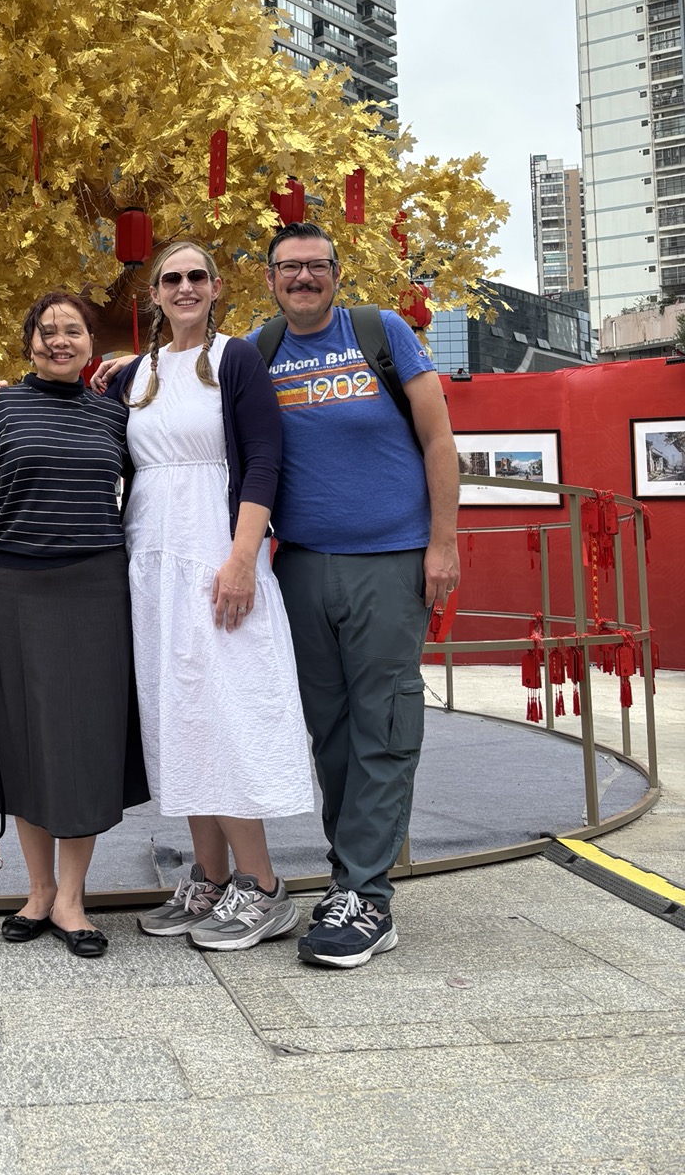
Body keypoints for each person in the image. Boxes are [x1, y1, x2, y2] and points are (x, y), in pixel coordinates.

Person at [253, 220, 460, 969]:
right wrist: (121, 366)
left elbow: (439, 440)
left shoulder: (381, 332)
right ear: (270, 279)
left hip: (390, 561)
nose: (303, 278)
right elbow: (191, 387)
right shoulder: (259, 349)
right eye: (289, 267)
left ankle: (366, 894)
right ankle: (351, 876)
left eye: (316, 265)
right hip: (302, 567)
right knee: (331, 733)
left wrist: (443, 544)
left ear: (336, 273)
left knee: (385, 723)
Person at [105, 241, 313, 952]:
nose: (186, 287)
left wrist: (243, 558)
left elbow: (265, 459)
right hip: (152, 564)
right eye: (173, 278)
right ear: (155, 293)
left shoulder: (236, 359)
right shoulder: (134, 376)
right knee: (180, 718)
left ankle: (263, 887)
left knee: (226, 715)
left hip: (216, 558)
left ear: (217, 287)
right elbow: (72, 409)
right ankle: (212, 878)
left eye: (198, 276)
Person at [0, 291, 148, 959]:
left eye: (73, 330)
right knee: (26, 739)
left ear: (91, 343)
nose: (59, 340)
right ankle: (37, 892)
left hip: (97, 590)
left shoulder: (114, 414)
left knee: (84, 744)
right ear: (29, 342)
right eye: (46, 330)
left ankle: (71, 898)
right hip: (15, 590)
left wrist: (129, 363)